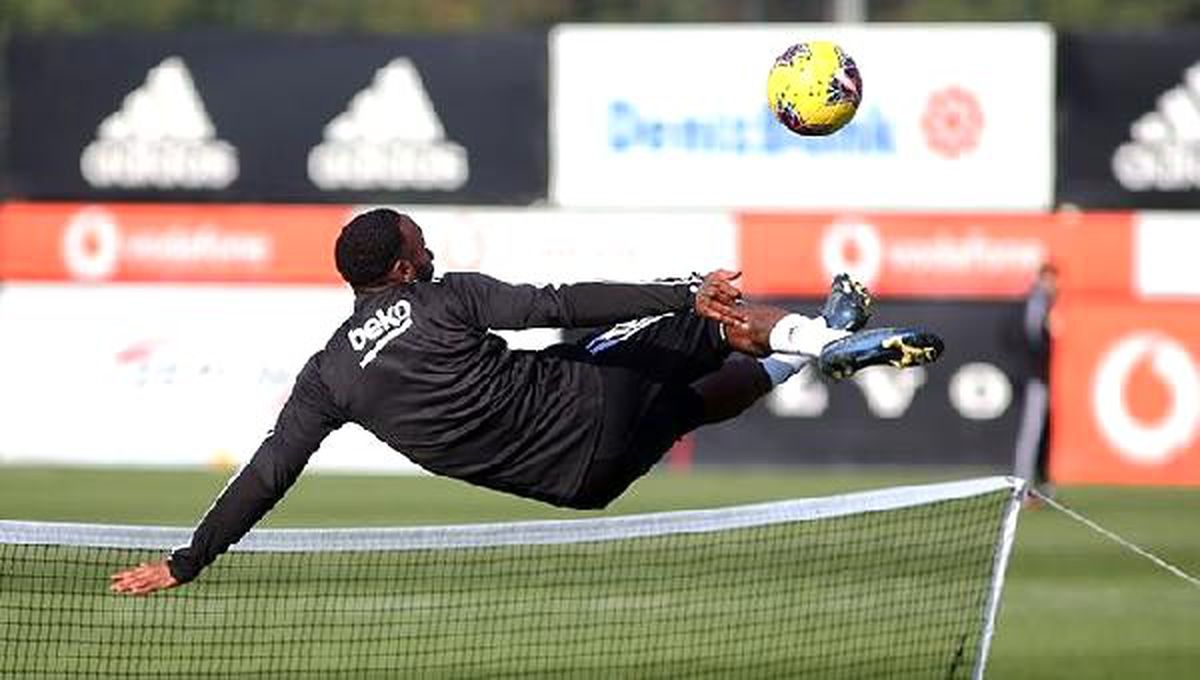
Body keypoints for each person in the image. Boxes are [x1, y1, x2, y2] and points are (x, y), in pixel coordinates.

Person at [110, 208, 942, 595]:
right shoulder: (445, 296)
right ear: (401, 269)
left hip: (583, 485)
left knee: (690, 402)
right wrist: (681, 289)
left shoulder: (325, 376)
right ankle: (828, 343)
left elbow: (265, 476)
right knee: (714, 322)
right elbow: (559, 301)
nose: (428, 248)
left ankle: (813, 349)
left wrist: (188, 561)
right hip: (586, 403)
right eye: (417, 243)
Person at [1014, 261, 1058, 501]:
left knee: (1039, 432)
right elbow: (1032, 338)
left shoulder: (1045, 302)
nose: (1054, 285)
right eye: (1051, 279)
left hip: (1038, 377)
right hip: (1034, 378)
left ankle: (1036, 485)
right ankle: (1023, 487)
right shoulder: (1037, 302)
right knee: (1031, 433)